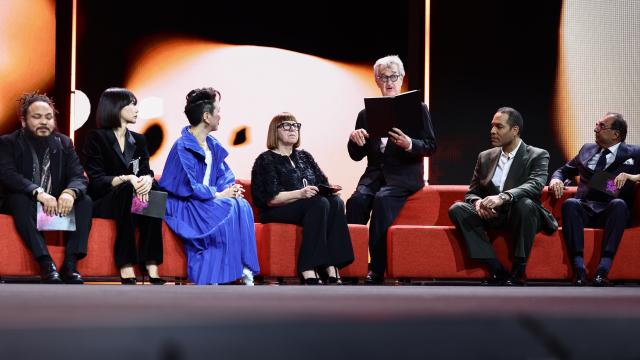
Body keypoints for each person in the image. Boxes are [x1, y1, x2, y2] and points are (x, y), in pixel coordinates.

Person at [346, 55, 436, 284]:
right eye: (383, 77)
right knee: (355, 202)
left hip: (404, 176)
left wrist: (409, 144)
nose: (389, 82)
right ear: (377, 80)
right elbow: (357, 155)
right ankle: (350, 267)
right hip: (375, 175)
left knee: (383, 200)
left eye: (393, 76)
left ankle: (376, 269)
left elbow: (430, 146)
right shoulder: (366, 114)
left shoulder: (417, 109)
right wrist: (355, 141)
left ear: (402, 78)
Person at [160, 87, 259, 285]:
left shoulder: (212, 144)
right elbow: (187, 187)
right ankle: (214, 274)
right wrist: (220, 194)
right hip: (186, 204)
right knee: (229, 206)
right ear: (207, 116)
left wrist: (231, 189)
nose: (220, 116)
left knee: (242, 205)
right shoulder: (182, 146)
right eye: (218, 111)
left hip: (209, 200)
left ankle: (245, 268)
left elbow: (224, 174)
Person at [448, 107, 558, 285]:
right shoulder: (485, 156)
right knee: (458, 209)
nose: (492, 131)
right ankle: (496, 268)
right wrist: (478, 204)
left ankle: (519, 269)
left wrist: (503, 197)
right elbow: (472, 192)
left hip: (521, 214)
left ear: (514, 131)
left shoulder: (537, 155)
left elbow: (535, 185)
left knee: (525, 204)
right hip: (493, 214)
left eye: (499, 127)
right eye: (492, 126)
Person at [251, 112, 354, 285]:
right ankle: (308, 266)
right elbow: (270, 198)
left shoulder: (305, 156)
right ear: (274, 131)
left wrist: (330, 190)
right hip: (277, 209)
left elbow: (322, 183)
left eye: (295, 125)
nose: (293, 129)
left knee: (336, 202)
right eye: (286, 125)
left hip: (308, 206)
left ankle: (331, 265)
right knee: (318, 204)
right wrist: (300, 193)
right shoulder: (266, 159)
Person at [0, 92, 91, 284]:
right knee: (19, 199)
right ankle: (46, 263)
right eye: (37, 117)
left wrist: (69, 192)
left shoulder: (64, 142)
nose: (44, 122)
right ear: (23, 121)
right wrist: (38, 192)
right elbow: (8, 174)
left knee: (85, 201)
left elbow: (78, 176)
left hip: (56, 203)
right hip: (26, 200)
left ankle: (70, 264)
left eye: (49, 117)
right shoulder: (8, 142)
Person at [82, 88, 165, 285]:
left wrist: (146, 179)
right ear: (116, 107)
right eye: (132, 104)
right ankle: (125, 262)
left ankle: (151, 262)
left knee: (156, 190)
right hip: (105, 199)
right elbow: (96, 179)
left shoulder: (139, 139)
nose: (137, 109)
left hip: (133, 196)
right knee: (128, 189)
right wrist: (126, 178)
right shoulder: (96, 138)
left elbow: (145, 169)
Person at [549, 112, 640, 286]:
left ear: (616, 134)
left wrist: (632, 177)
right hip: (585, 206)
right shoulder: (587, 149)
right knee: (570, 204)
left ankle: (603, 270)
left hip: (612, 208)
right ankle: (579, 270)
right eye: (596, 125)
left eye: (601, 126)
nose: (595, 129)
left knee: (618, 203)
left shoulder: (635, 153)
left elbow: (615, 188)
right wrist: (556, 179)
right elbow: (563, 170)